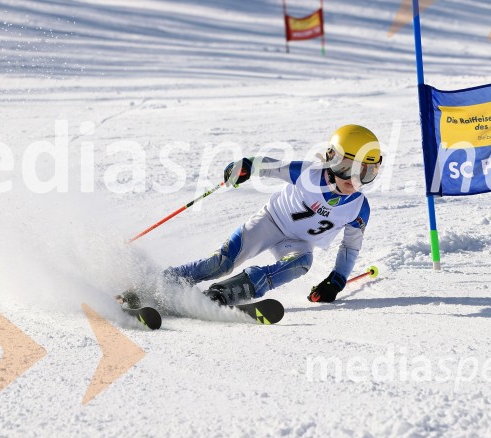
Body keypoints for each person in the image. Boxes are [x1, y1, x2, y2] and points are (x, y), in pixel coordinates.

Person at [163, 125, 381, 305]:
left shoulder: (359, 208)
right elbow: (272, 167)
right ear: (332, 159)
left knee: (302, 263)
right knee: (221, 263)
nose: (354, 180)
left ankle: (224, 294)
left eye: (366, 173)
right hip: (270, 223)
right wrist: (247, 165)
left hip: (298, 243)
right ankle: (167, 280)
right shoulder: (309, 174)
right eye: (347, 168)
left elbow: (350, 247)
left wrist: (337, 280)